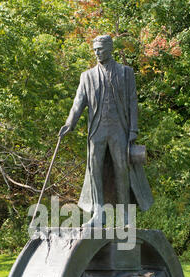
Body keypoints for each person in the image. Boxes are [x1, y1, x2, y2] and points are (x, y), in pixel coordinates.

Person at [59, 34, 138, 226]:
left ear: (110, 48)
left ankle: (125, 216)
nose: (97, 53)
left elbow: (133, 103)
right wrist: (70, 123)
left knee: (122, 170)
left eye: (100, 49)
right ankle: (98, 214)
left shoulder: (125, 73)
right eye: (94, 49)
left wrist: (133, 130)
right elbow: (78, 103)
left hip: (119, 129)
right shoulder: (87, 77)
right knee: (94, 170)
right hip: (97, 131)